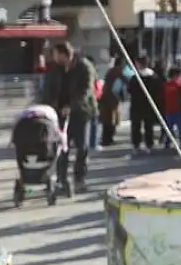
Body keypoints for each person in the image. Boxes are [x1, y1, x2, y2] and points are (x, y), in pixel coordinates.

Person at [41, 42, 98, 193]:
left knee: (81, 147)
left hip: (81, 112)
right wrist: (46, 107)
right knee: (61, 147)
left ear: (64, 54)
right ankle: (61, 179)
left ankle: (79, 179)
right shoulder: (55, 69)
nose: (54, 58)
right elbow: (48, 89)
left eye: (56, 54)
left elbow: (86, 91)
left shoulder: (84, 67)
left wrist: (71, 106)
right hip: (59, 113)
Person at [127, 56, 163, 156]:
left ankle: (136, 145)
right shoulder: (154, 77)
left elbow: (129, 90)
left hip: (137, 105)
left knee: (136, 126)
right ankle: (149, 144)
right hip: (149, 104)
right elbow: (158, 91)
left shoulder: (135, 77)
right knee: (149, 125)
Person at [98, 56, 126, 147]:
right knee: (111, 120)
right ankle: (107, 139)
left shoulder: (111, 70)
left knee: (109, 120)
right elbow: (125, 81)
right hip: (112, 98)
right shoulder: (118, 71)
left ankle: (107, 139)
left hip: (107, 97)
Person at [162, 66, 181, 151]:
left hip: (169, 109)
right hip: (177, 109)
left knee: (169, 127)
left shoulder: (166, 84)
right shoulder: (179, 84)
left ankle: (168, 143)